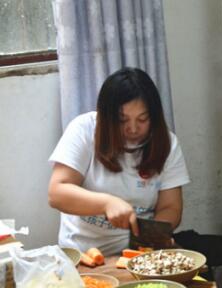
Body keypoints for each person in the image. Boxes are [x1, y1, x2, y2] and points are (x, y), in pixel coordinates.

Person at [48, 67, 189, 255]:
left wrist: (152, 238)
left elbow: (170, 207)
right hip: (84, 255)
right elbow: (57, 193)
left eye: (143, 119)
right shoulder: (84, 130)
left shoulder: (167, 143)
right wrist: (106, 204)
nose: (133, 128)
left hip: (138, 253)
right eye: (122, 120)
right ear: (106, 117)